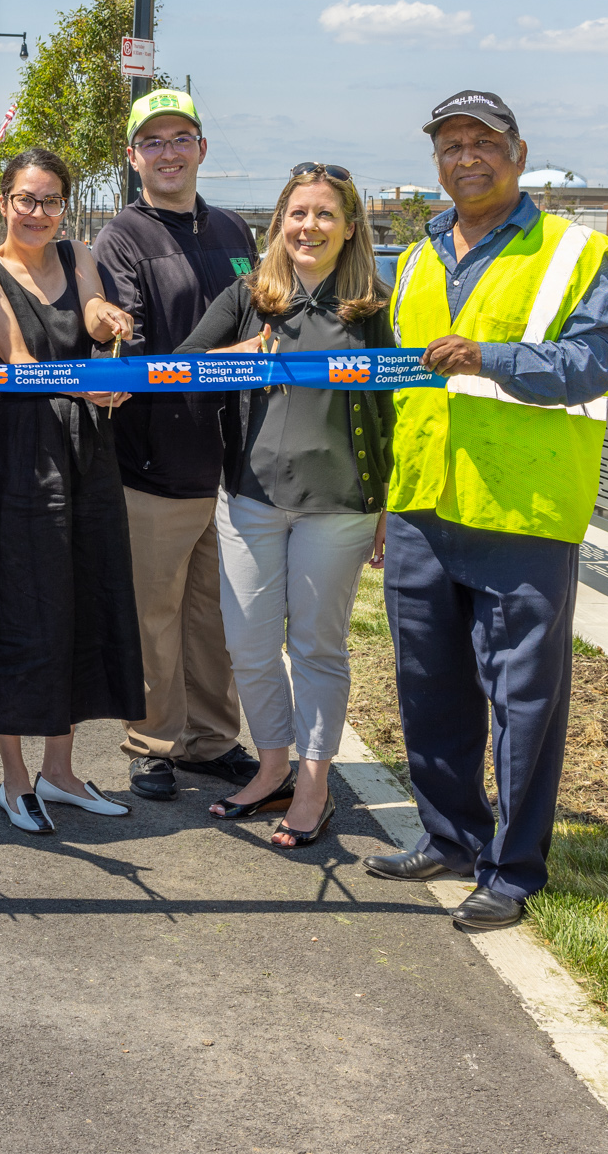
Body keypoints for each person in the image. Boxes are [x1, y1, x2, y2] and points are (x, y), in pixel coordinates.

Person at [364, 91, 608, 929]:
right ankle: (449, 835)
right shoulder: (418, 257)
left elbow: (595, 360)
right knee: (427, 687)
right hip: (423, 502)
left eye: (483, 141)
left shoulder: (573, 251)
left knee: (521, 700)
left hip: (522, 508)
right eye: (450, 144)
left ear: (518, 152)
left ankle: (511, 869)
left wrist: (493, 358)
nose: (466, 156)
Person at [176, 163, 396, 850]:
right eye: (298, 213)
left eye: (325, 214)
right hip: (250, 501)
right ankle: (272, 767)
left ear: (350, 228)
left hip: (340, 506)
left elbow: (397, 407)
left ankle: (313, 785)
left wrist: (388, 505)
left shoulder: (374, 309)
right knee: (248, 643)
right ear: (279, 222)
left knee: (316, 647)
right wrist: (239, 353)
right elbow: (180, 367)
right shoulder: (248, 297)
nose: (309, 226)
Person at [0, 147, 141, 835]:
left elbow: (91, 313)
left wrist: (111, 325)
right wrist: (87, 384)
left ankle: (60, 773)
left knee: (83, 603)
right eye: (25, 200)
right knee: (20, 608)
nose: (38, 213)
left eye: (51, 201)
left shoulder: (78, 253)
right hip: (23, 450)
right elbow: (18, 360)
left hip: (88, 448)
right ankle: (14, 778)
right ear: (5, 202)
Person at [90, 89, 259, 803]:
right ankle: (153, 742)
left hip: (232, 463)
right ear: (133, 157)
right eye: (153, 141)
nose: (168, 152)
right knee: (153, 616)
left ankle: (211, 739)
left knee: (215, 618)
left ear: (201, 149)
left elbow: (263, 316)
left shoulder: (235, 231)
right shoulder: (122, 237)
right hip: (154, 461)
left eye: (180, 138)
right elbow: (127, 344)